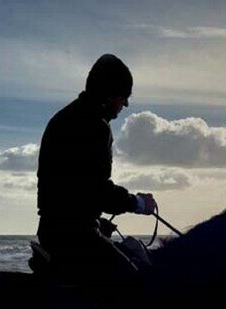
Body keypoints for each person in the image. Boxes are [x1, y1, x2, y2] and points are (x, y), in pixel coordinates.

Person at [36, 54, 157, 288]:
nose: (125, 104)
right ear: (109, 94)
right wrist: (139, 203)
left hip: (53, 230)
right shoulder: (94, 126)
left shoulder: (63, 118)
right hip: (73, 237)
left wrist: (93, 219)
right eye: (124, 97)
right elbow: (98, 191)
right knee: (135, 283)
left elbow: (71, 189)